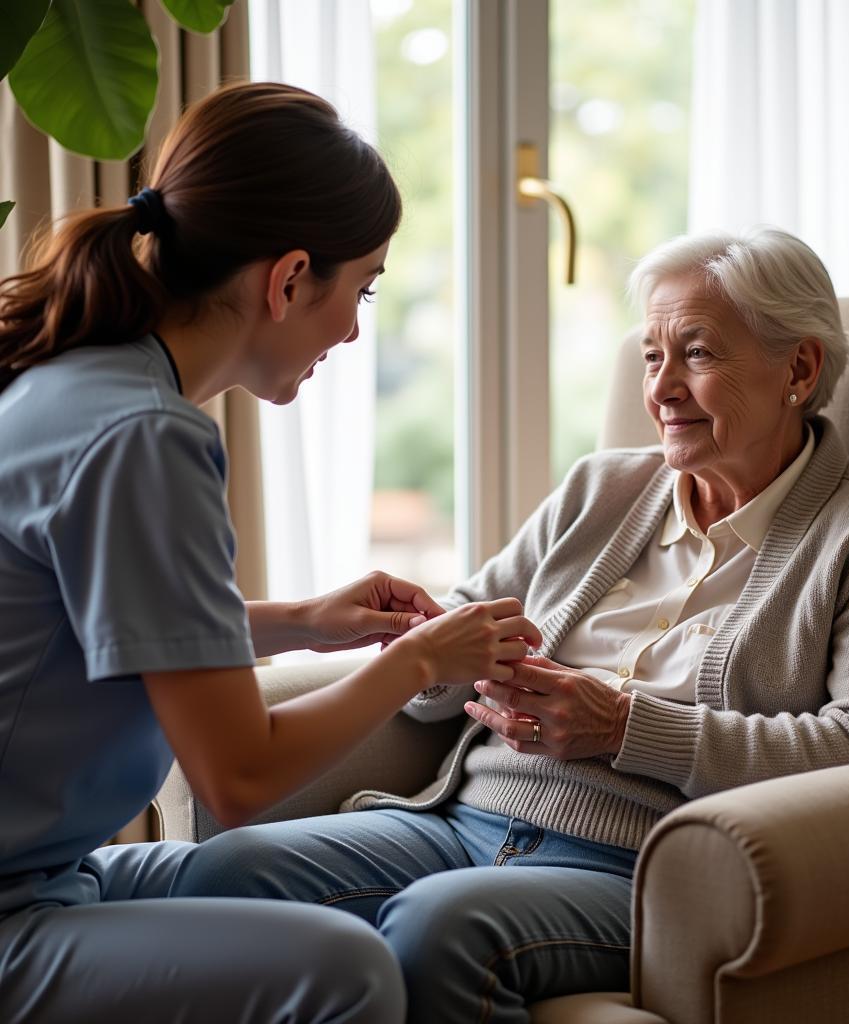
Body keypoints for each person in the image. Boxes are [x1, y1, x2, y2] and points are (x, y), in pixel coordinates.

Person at [172, 226, 849, 1023]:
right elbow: (437, 687)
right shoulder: (600, 491)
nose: (662, 390)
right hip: (464, 820)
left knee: (440, 928)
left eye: (698, 353)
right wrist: (435, 649)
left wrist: (622, 728)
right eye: (652, 357)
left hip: (640, 867)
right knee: (230, 872)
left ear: (800, 367)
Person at [0, 81, 541, 1024]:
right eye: (360, 288)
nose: (354, 328)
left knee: (280, 894)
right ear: (289, 278)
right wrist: (422, 658)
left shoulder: (74, 379)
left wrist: (303, 623)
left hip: (49, 875)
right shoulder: (146, 437)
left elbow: (88, 623)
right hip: (15, 911)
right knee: (343, 970)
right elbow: (238, 778)